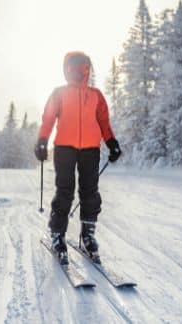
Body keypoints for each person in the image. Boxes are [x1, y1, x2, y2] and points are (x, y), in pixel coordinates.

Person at [34, 51, 121, 264]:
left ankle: (88, 235)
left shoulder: (96, 95)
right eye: (75, 67)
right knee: (65, 190)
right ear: (67, 69)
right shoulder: (59, 93)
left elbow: (104, 122)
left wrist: (112, 142)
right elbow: (48, 118)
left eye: (84, 67)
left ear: (88, 69)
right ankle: (57, 235)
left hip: (91, 149)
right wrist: (42, 140)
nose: (80, 71)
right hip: (64, 147)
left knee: (90, 192)